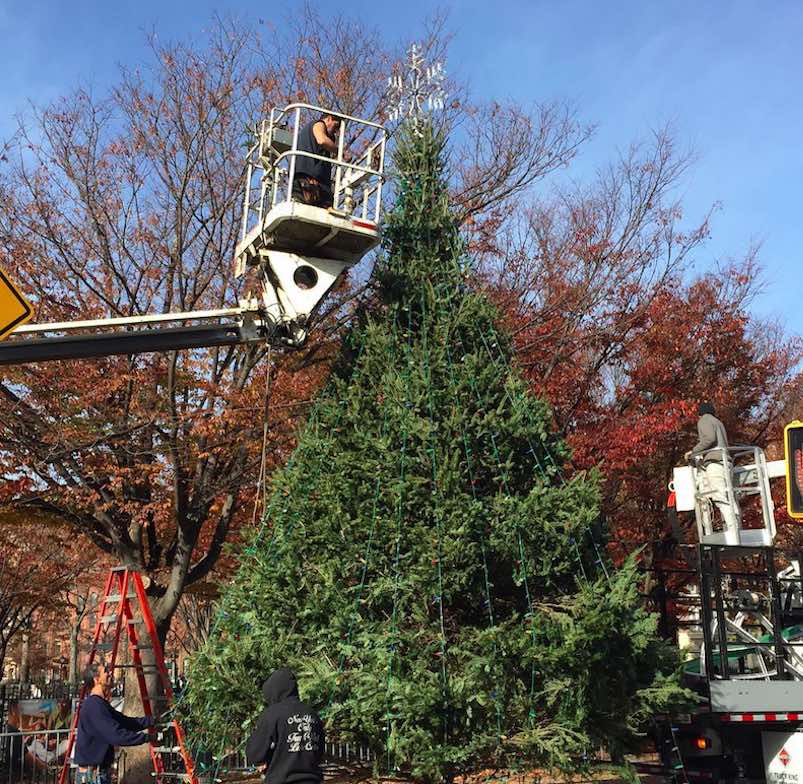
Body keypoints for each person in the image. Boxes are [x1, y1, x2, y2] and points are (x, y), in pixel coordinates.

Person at [73, 663, 154, 784]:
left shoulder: (100, 704)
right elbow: (115, 734)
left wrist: (153, 721)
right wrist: (147, 737)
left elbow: (126, 723)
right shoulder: (94, 706)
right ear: (97, 679)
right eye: (105, 671)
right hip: (93, 776)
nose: (110, 673)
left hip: (97, 773)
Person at [245, 668, 324, 784]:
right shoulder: (312, 714)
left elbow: (255, 752)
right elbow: (319, 750)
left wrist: (262, 760)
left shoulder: (272, 714)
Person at [685, 402, 739, 538]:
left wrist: (693, 452)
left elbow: (709, 438)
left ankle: (733, 531)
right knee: (729, 497)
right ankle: (737, 527)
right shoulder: (718, 422)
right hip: (726, 461)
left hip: (715, 463)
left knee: (719, 497)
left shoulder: (704, 420)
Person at [291, 114, 343, 209]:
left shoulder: (308, 135)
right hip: (311, 183)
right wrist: (340, 152)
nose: (336, 131)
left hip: (304, 181)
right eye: (336, 126)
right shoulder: (319, 124)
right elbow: (322, 140)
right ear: (329, 118)